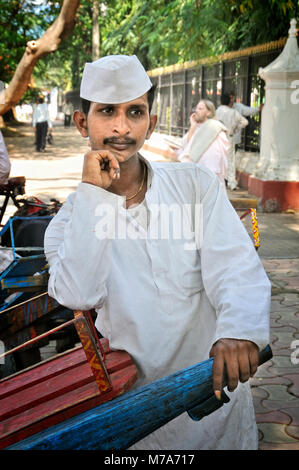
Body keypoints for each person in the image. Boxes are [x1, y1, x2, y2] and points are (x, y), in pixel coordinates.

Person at [44, 55, 270, 450]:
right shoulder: (68, 223)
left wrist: (238, 332)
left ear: (150, 122)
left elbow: (235, 266)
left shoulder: (195, 185)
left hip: (217, 390)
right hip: (141, 411)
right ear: (83, 123)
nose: (121, 126)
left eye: (135, 111)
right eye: (106, 112)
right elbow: (78, 294)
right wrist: (94, 196)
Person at [172, 99, 229, 190]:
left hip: (210, 176)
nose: (196, 111)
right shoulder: (196, 127)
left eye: (200, 108)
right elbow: (187, 147)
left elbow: (217, 157)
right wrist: (193, 126)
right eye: (196, 108)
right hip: (194, 176)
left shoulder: (215, 128)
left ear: (209, 112)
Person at [216, 94, 248, 190]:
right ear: (230, 102)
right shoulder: (233, 112)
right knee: (230, 160)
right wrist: (235, 129)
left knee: (218, 159)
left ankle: (218, 181)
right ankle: (232, 183)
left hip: (217, 138)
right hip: (228, 137)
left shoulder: (217, 111)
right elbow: (245, 122)